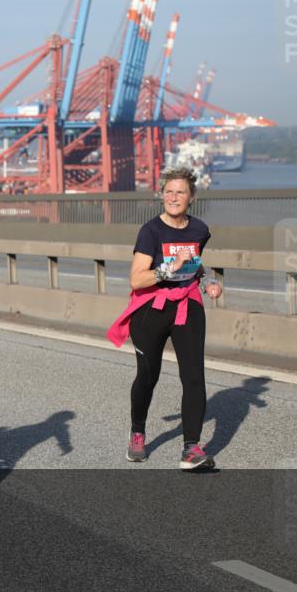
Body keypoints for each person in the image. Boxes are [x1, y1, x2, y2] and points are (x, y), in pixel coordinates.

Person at [108, 166, 223, 471]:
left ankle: (191, 449)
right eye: (169, 192)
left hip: (188, 307)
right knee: (148, 375)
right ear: (161, 196)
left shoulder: (200, 229)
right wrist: (168, 269)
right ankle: (137, 431)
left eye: (180, 192)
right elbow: (137, 280)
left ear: (192, 197)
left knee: (194, 377)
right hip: (151, 311)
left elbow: (195, 264)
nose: (174, 197)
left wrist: (207, 279)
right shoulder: (151, 232)